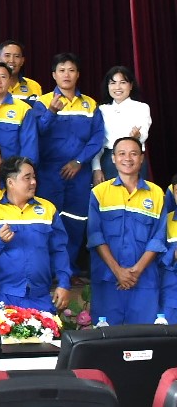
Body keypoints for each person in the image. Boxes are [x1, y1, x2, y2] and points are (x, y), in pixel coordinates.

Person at [0, 157, 72, 313]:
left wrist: (63, 283)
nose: (33, 182)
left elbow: (59, 250)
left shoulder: (48, 209)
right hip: (1, 296)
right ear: (10, 182)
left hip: (40, 296)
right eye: (27, 178)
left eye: (34, 177)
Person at [37, 53, 106, 264]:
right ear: (54, 75)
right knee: (48, 219)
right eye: (62, 70)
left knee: (77, 219)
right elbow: (37, 132)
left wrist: (79, 161)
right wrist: (51, 112)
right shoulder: (43, 102)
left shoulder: (90, 104)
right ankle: (51, 270)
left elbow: (97, 137)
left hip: (79, 171)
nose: (66, 75)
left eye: (71, 70)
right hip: (49, 172)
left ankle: (70, 268)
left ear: (78, 74)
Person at [87, 137, 164, 325]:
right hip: (108, 279)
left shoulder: (157, 194)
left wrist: (136, 271)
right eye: (122, 153)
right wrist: (117, 271)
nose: (127, 158)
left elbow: (158, 238)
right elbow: (95, 236)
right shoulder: (99, 193)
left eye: (133, 154)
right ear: (113, 158)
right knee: (106, 337)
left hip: (144, 280)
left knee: (143, 338)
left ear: (142, 158)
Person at [94, 65, 151, 181]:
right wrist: (96, 168)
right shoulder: (101, 110)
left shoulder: (141, 107)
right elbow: (96, 142)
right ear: (107, 86)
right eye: (113, 83)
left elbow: (144, 131)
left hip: (134, 158)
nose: (117, 87)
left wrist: (137, 136)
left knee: (138, 192)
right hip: (109, 160)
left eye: (123, 82)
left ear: (131, 85)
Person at [0, 62, 41, 163]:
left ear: (10, 81)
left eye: (3, 77)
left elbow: (29, 149)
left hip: (12, 169)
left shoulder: (24, 109)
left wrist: (22, 169)